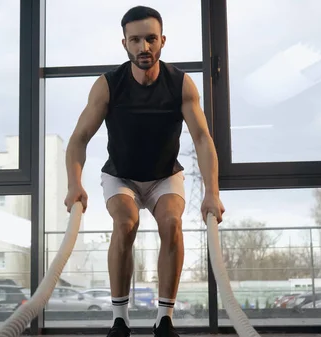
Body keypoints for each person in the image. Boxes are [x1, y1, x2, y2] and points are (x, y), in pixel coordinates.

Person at [64, 5, 224, 337]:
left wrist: (212, 192)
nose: (144, 47)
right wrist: (74, 184)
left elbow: (202, 139)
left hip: (165, 175)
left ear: (162, 40)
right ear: (124, 43)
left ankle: (164, 319)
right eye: (135, 40)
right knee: (126, 223)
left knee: (172, 222)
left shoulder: (181, 84)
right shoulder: (108, 85)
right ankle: (120, 319)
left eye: (150, 39)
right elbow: (79, 139)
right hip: (121, 175)